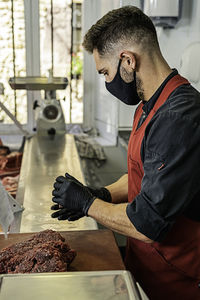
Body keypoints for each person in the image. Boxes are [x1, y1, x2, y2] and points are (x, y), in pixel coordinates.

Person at [51, 6, 200, 299]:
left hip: (176, 280)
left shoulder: (179, 118)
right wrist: (102, 194)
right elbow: (139, 174)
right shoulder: (148, 104)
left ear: (128, 60)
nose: (108, 82)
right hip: (144, 267)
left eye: (106, 72)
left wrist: (87, 204)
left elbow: (147, 223)